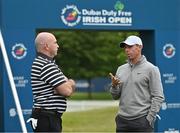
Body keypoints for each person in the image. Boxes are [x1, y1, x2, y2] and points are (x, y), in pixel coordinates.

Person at [109, 35, 165, 132]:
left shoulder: (151, 69)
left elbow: (158, 96)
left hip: (142, 121)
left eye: (130, 47)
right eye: (125, 47)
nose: (126, 50)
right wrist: (114, 86)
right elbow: (115, 96)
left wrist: (149, 118)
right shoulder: (121, 69)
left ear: (140, 47)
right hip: (122, 121)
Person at [27, 32, 75, 132]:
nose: (58, 45)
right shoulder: (46, 65)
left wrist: (66, 84)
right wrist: (70, 83)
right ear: (47, 46)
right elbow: (67, 91)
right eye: (55, 42)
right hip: (47, 118)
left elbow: (65, 86)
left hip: (46, 117)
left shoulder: (47, 63)